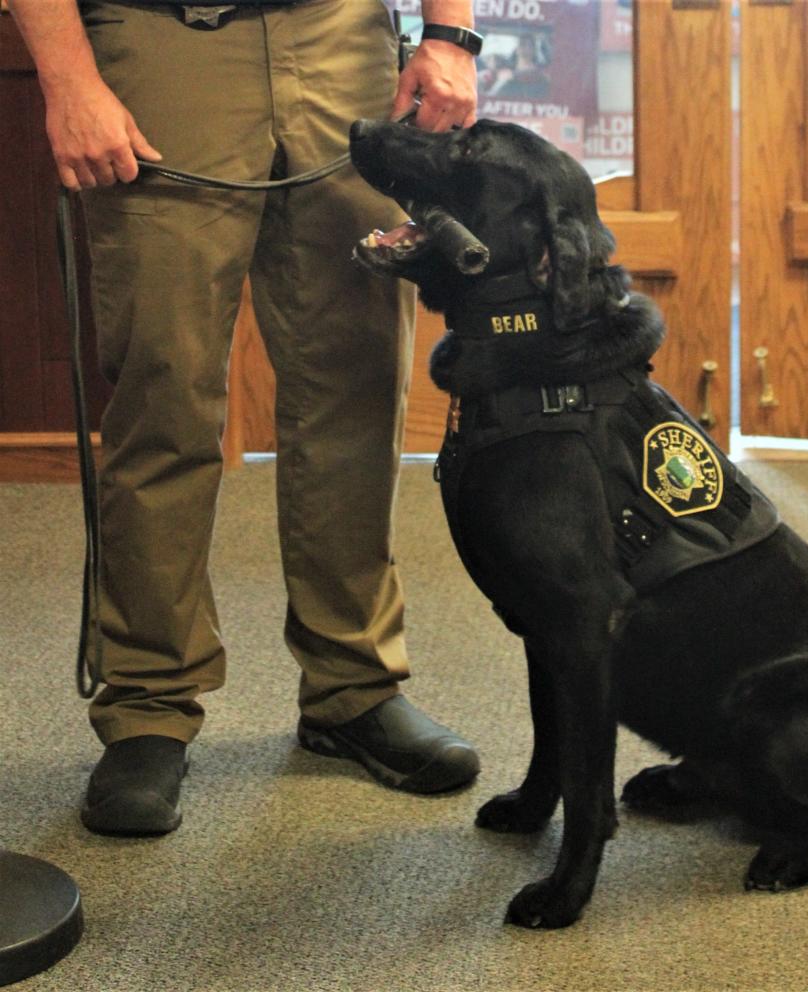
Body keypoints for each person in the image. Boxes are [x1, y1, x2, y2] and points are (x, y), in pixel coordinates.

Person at [8, 0, 482, 835]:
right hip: (158, 40)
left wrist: (449, 34)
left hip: (340, 36)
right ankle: (149, 701)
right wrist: (70, 77)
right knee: (164, 387)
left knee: (357, 379)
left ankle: (353, 686)